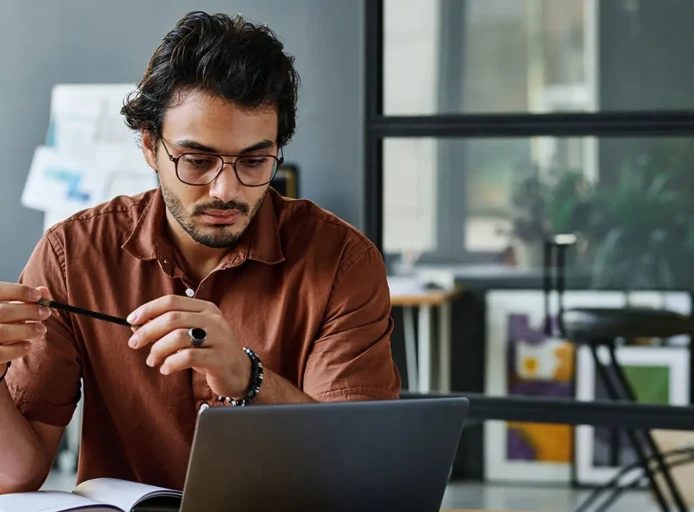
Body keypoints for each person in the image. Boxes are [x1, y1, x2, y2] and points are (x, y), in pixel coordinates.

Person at [0, 11, 400, 494]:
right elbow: (13, 475)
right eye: (196, 160)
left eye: (255, 161)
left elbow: (360, 469)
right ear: (150, 146)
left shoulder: (342, 261)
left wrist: (244, 376)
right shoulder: (73, 255)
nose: (225, 190)